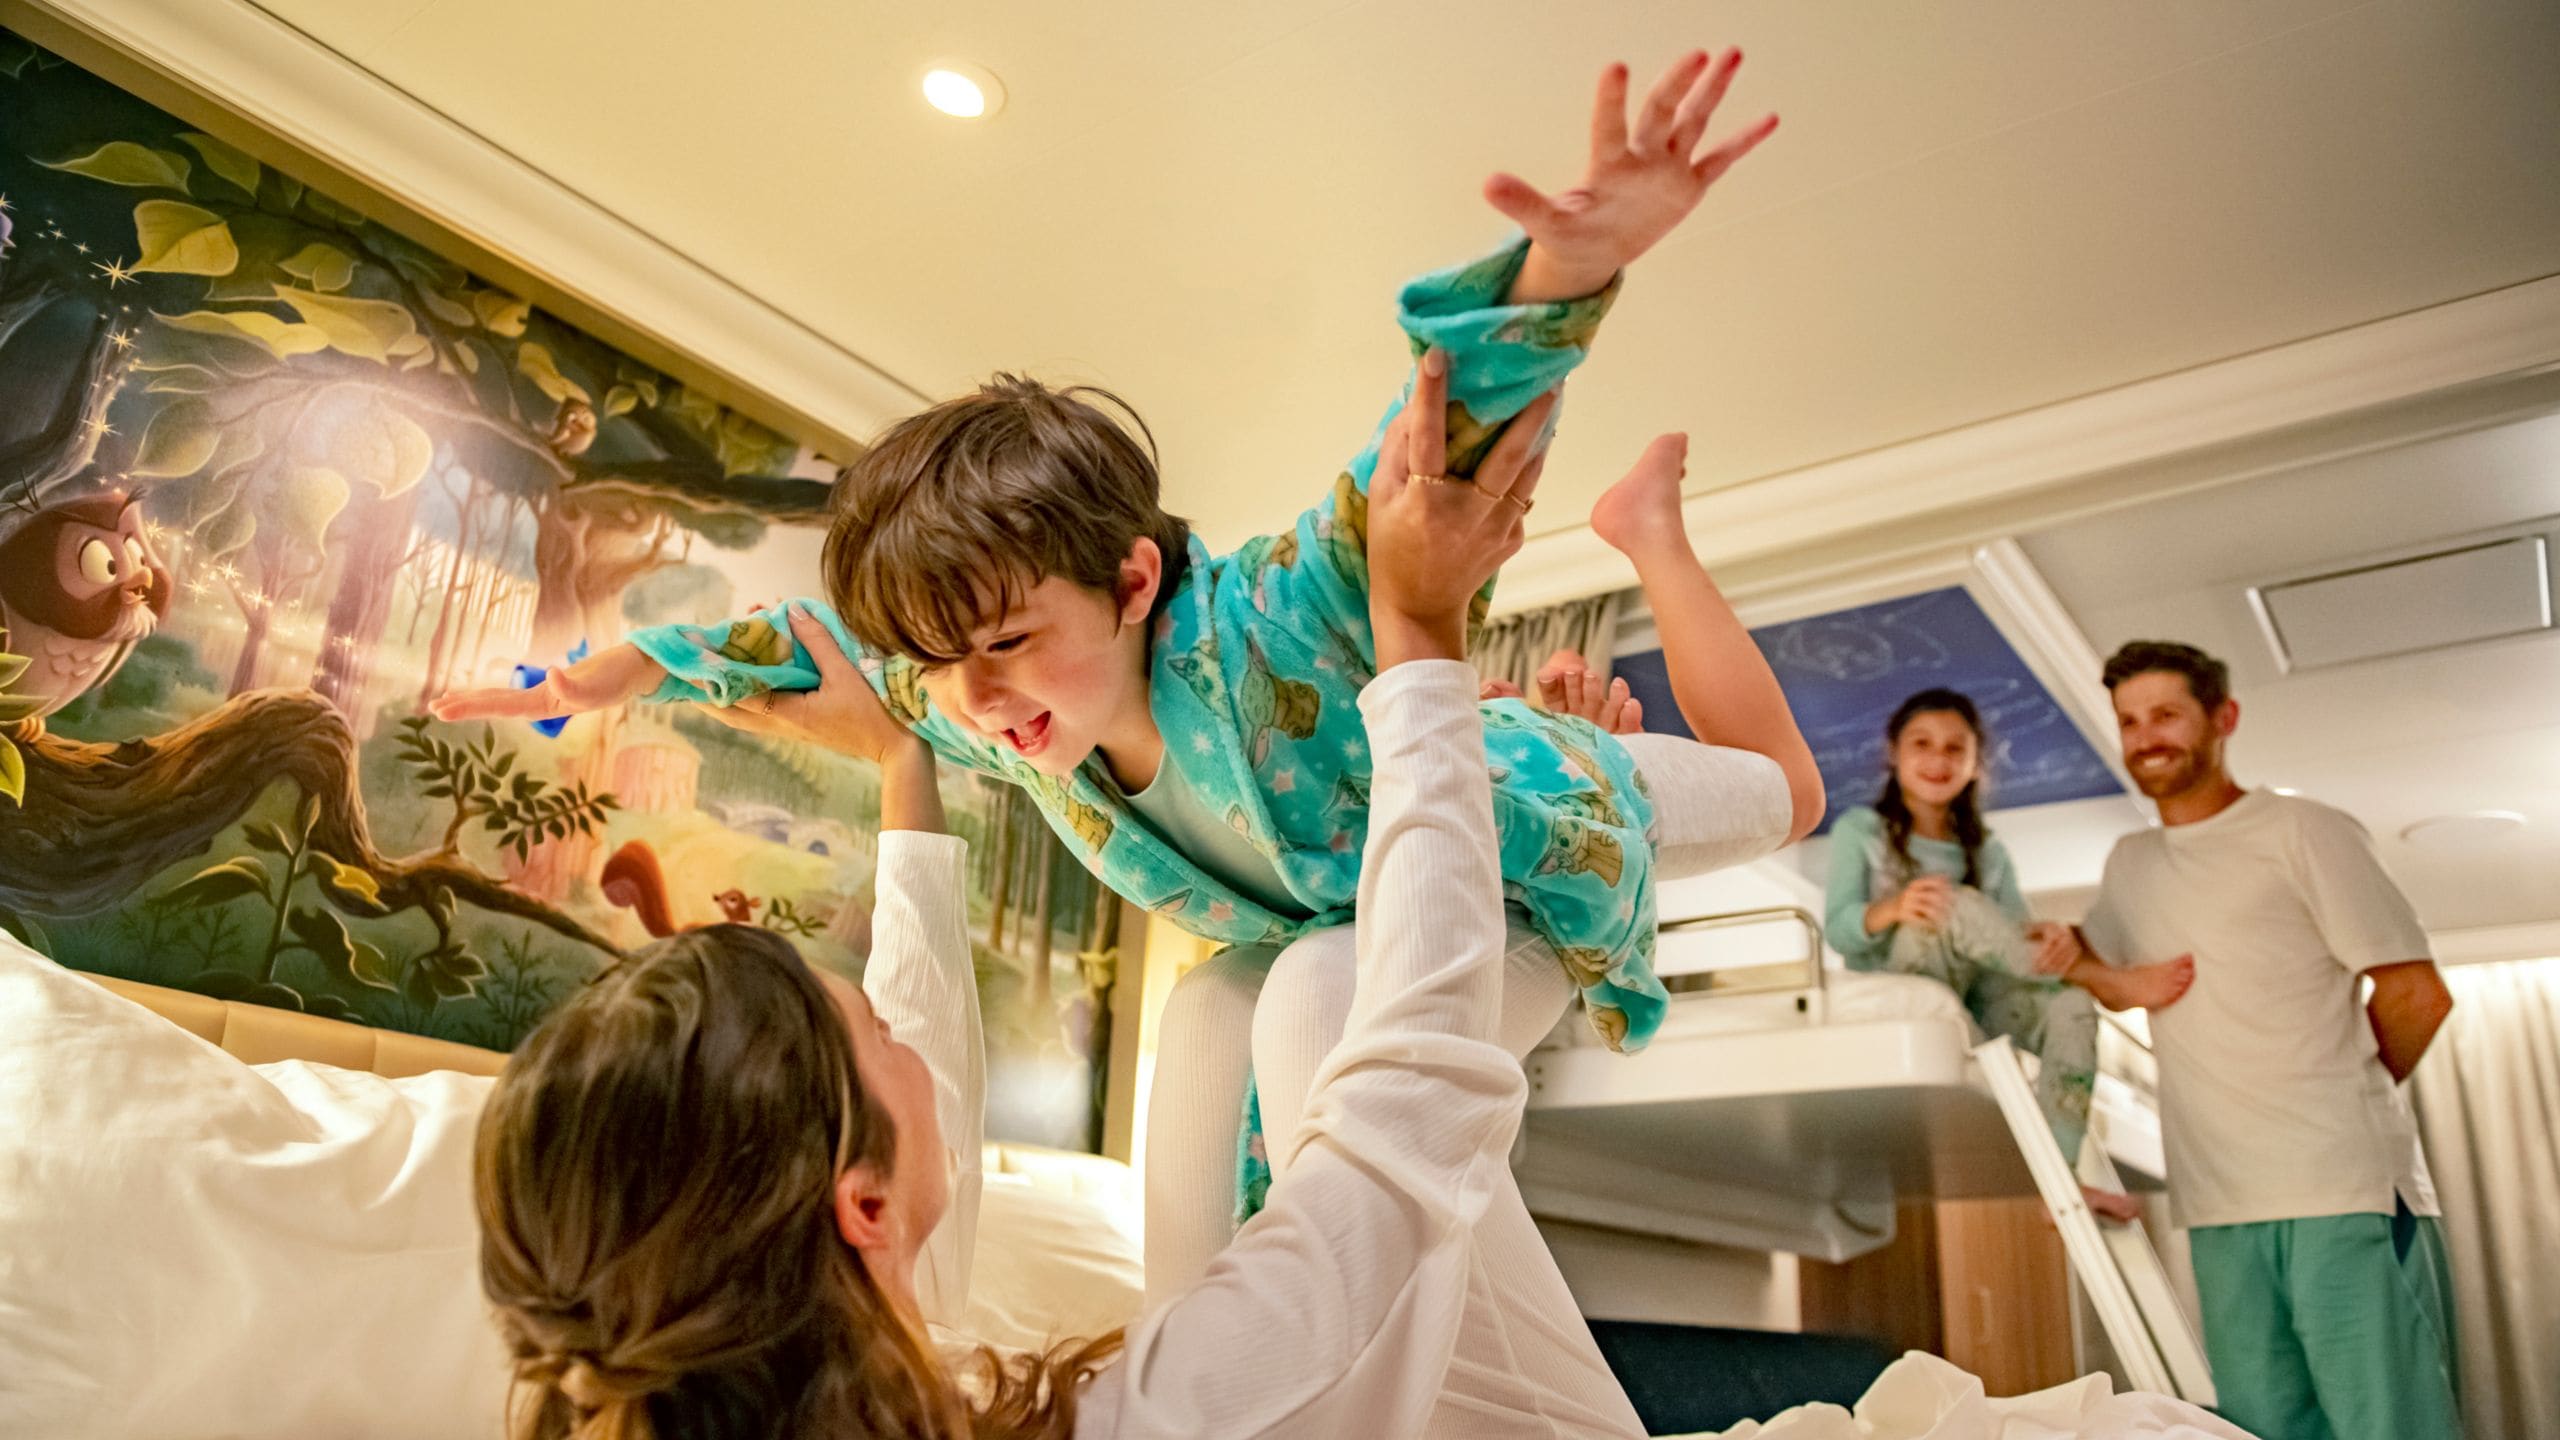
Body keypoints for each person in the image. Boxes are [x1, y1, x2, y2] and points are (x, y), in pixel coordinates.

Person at [433, 47, 1824, 1313]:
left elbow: (1413, 465)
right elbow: (826, 651)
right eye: (942, 664)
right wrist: (615, 666)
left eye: (1005, 641)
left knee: (1781, 798)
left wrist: (1563, 273)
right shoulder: (999, 717)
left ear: (1134, 582)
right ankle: (1193, 1377)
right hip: (1340, 915)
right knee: (1209, 1014)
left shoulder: (1275, 615)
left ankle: (1650, 533)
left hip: (1530, 819)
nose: (973, 698)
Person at [473, 348, 1646, 1438]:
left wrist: (686, 674)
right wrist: (1425, 646)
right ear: (863, 1208)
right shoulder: (1156, 1410)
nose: (902, 1031)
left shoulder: (889, 1362)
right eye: (872, 1030)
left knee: (1220, 1009)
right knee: (1314, 999)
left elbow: (843, 660)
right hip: (1441, 884)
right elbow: (1396, 1137)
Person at [2047, 640, 2461, 1440]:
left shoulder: (2304, 830)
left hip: (2339, 1191)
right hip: (2217, 1206)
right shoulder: (2131, 864)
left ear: (2223, 718)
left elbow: (2418, 996)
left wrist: (2334, 1097)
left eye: (2166, 715)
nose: (2146, 738)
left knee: (2390, 1428)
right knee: (2261, 1431)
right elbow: (2089, 971)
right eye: (2129, 722)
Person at [1822, 689, 2193, 1220]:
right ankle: (2106, 979)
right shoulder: (1860, 830)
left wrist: (2051, 938)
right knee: (1950, 903)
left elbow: (2013, 934)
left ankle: (2059, 1180)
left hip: (1976, 995)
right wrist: (1894, 908)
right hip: (1905, 981)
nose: (1938, 759)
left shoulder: (1987, 850)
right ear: (1893, 754)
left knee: (2072, 1008)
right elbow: (1839, 930)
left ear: (1975, 764)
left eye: (1955, 748)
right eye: (1922, 744)